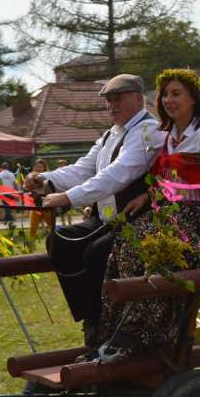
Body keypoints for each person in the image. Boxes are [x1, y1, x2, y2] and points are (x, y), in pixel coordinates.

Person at [91, 69, 200, 361]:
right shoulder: (170, 135)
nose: (169, 100)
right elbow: (169, 180)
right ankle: (114, 331)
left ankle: (147, 334)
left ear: (194, 99)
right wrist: (147, 195)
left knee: (143, 245)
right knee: (123, 242)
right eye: (166, 95)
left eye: (177, 94)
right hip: (172, 216)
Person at [23, 73, 164, 341]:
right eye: (108, 100)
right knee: (59, 241)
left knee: (97, 253)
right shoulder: (111, 134)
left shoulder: (148, 131)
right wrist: (47, 180)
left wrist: (68, 198)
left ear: (138, 98)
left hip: (136, 223)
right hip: (106, 221)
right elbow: (84, 168)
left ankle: (102, 328)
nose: (111, 105)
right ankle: (90, 319)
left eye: (118, 99)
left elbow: (118, 174)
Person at [28, 159, 55, 239]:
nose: (38, 169)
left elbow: (52, 190)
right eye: (37, 167)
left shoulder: (48, 176)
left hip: (47, 206)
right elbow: (26, 189)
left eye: (40, 167)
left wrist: (41, 192)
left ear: (44, 168)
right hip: (35, 206)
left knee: (51, 227)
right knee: (33, 227)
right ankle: (31, 246)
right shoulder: (30, 177)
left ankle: (55, 242)